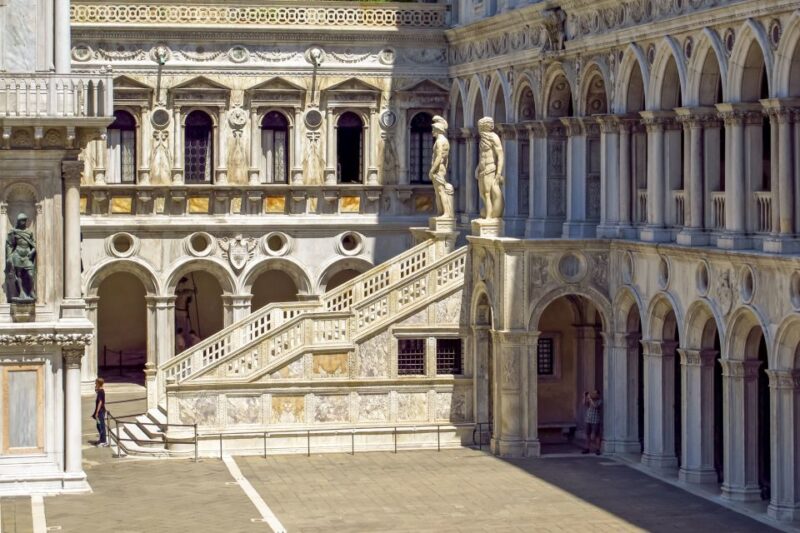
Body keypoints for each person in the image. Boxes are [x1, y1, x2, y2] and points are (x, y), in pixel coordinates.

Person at [582, 390, 602, 455]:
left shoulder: (599, 401)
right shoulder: (590, 400)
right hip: (588, 420)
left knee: (597, 435)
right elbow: (584, 404)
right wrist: (585, 397)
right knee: (588, 434)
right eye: (593, 393)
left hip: (595, 420)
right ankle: (587, 448)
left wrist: (590, 398)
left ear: (598, 395)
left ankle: (598, 449)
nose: (593, 394)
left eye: (595, 393)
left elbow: (595, 406)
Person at [92, 378, 108, 447]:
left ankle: (103, 441)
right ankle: (101, 439)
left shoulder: (101, 391)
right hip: (100, 411)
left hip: (100, 411)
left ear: (98, 383)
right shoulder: (100, 391)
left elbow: (100, 402)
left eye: (96, 383)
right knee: (98, 425)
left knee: (101, 426)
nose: (95, 384)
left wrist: (97, 412)